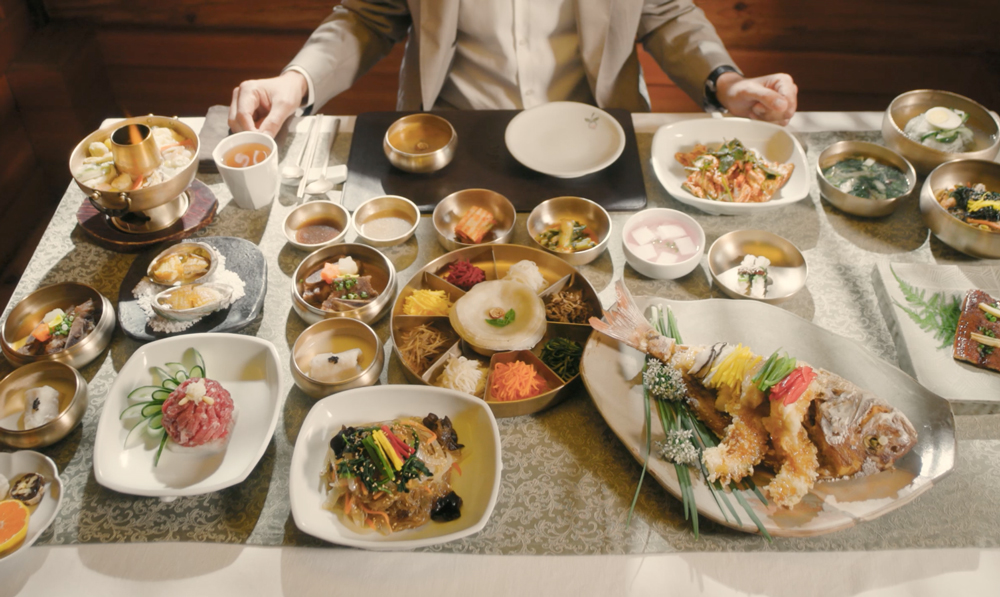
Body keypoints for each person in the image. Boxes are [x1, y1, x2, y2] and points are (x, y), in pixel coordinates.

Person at [229, 0, 798, 136]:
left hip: (596, 134)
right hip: (455, 135)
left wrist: (727, 82)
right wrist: (295, 80)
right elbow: (369, 15)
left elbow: (666, 12)